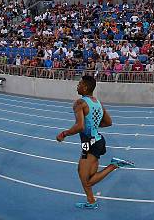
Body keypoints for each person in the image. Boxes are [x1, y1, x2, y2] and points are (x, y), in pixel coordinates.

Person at [56, 75, 134, 210]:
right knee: (86, 176)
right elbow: (108, 122)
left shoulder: (79, 103)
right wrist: (93, 126)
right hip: (95, 141)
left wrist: (64, 134)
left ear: (85, 87)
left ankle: (113, 166)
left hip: (90, 143)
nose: (77, 86)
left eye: (79, 84)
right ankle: (91, 201)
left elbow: (80, 126)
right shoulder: (97, 102)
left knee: (85, 179)